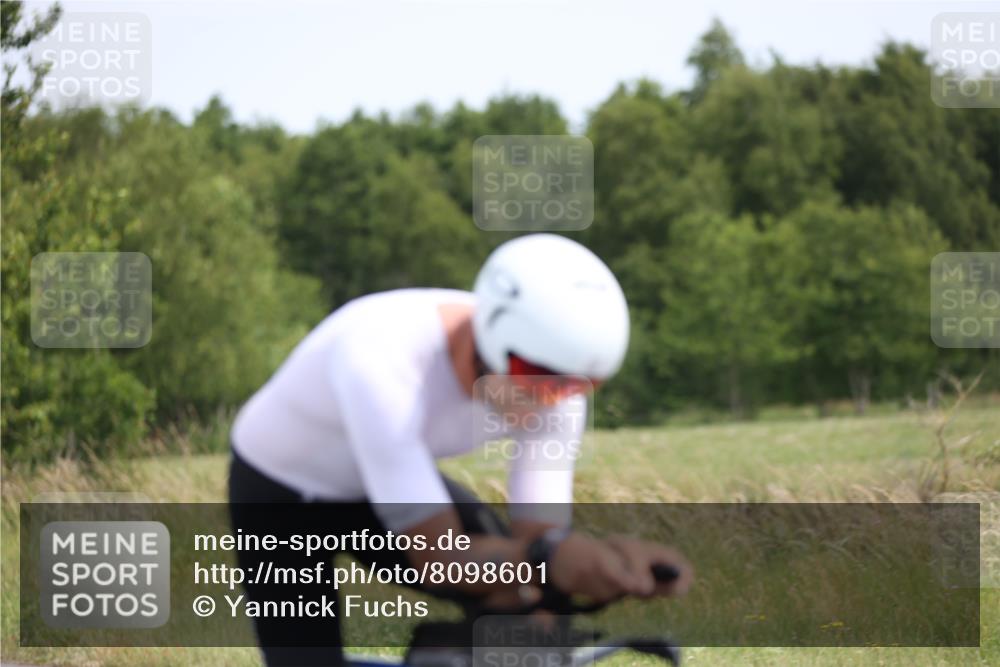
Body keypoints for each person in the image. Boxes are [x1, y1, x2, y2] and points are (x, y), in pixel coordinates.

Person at [228, 233, 693, 666]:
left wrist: (596, 572)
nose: (553, 401)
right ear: (489, 339)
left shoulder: (556, 383)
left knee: (521, 601)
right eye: (537, 380)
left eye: (580, 387)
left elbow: (540, 539)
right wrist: (551, 563)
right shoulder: (382, 358)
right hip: (278, 490)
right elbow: (440, 556)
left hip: (378, 478)